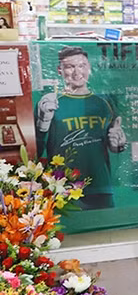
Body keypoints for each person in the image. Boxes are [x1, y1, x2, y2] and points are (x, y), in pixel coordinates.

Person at [35, 46, 127, 210]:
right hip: (62, 188)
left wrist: (118, 144)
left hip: (101, 186)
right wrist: (42, 123)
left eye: (82, 65)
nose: (77, 72)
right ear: (59, 70)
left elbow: (117, 146)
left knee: (104, 233)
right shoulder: (51, 103)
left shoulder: (104, 102)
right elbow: (35, 150)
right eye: (70, 67)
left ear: (89, 67)